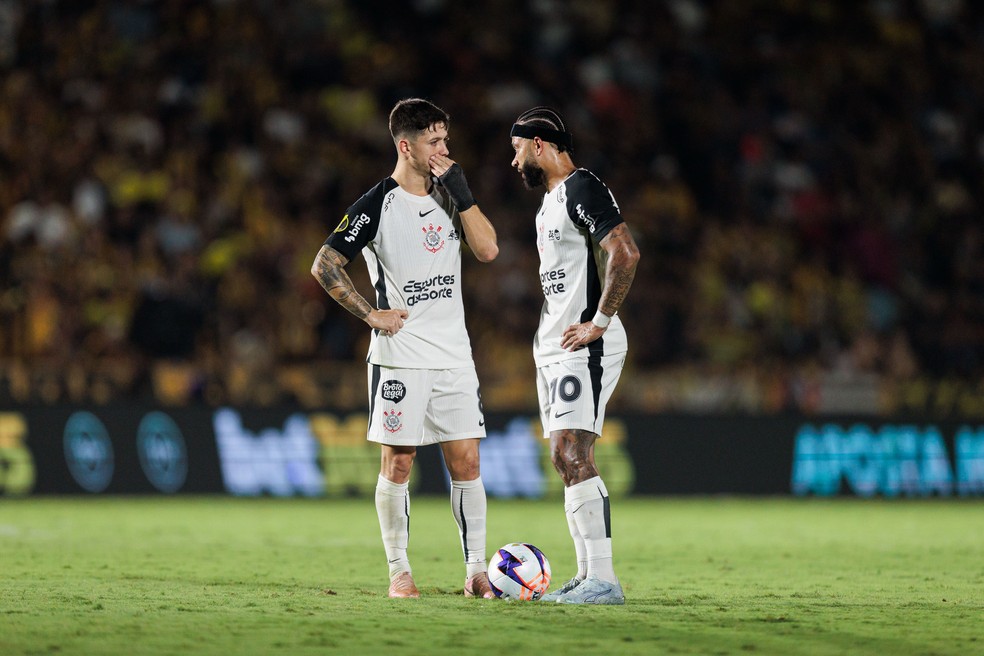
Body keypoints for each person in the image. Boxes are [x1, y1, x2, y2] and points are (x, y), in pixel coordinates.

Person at [312, 98, 499, 599]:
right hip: (400, 355)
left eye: (445, 139)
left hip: (454, 354)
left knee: (468, 464)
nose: (443, 149)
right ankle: (400, 571)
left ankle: (476, 571)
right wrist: (370, 315)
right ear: (406, 145)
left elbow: (487, 250)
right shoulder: (377, 204)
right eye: (434, 141)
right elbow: (325, 264)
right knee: (398, 463)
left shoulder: (450, 196)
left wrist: (464, 193)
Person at [509, 106, 640, 605]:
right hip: (555, 349)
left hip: (584, 345)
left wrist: (599, 322)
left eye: (517, 149)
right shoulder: (549, 204)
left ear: (539, 144)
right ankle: (587, 577)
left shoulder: (582, 187)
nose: (514, 160)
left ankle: (604, 581)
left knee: (573, 452)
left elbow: (624, 252)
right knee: (563, 459)